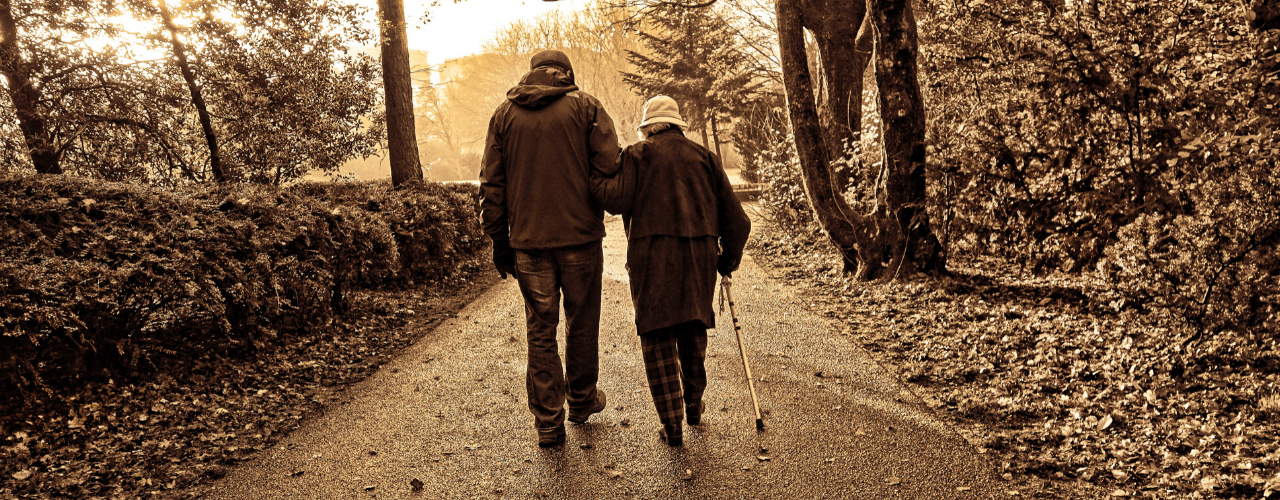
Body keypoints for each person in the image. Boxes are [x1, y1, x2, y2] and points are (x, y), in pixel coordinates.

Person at [479, 49, 621, 448]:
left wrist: (499, 240)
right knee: (582, 322)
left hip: (529, 244)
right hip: (581, 240)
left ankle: (548, 423)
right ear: (566, 74)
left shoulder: (504, 115)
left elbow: (492, 184)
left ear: (532, 74)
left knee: (541, 331)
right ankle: (580, 400)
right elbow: (609, 166)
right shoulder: (586, 107)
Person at [591, 95, 751, 447]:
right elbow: (738, 221)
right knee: (693, 325)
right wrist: (726, 261)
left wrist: (588, 170)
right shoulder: (705, 158)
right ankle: (693, 405)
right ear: (679, 125)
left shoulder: (637, 155)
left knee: (657, 335)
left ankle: (672, 426)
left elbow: (615, 200)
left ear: (648, 128)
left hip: (652, 255)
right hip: (699, 254)